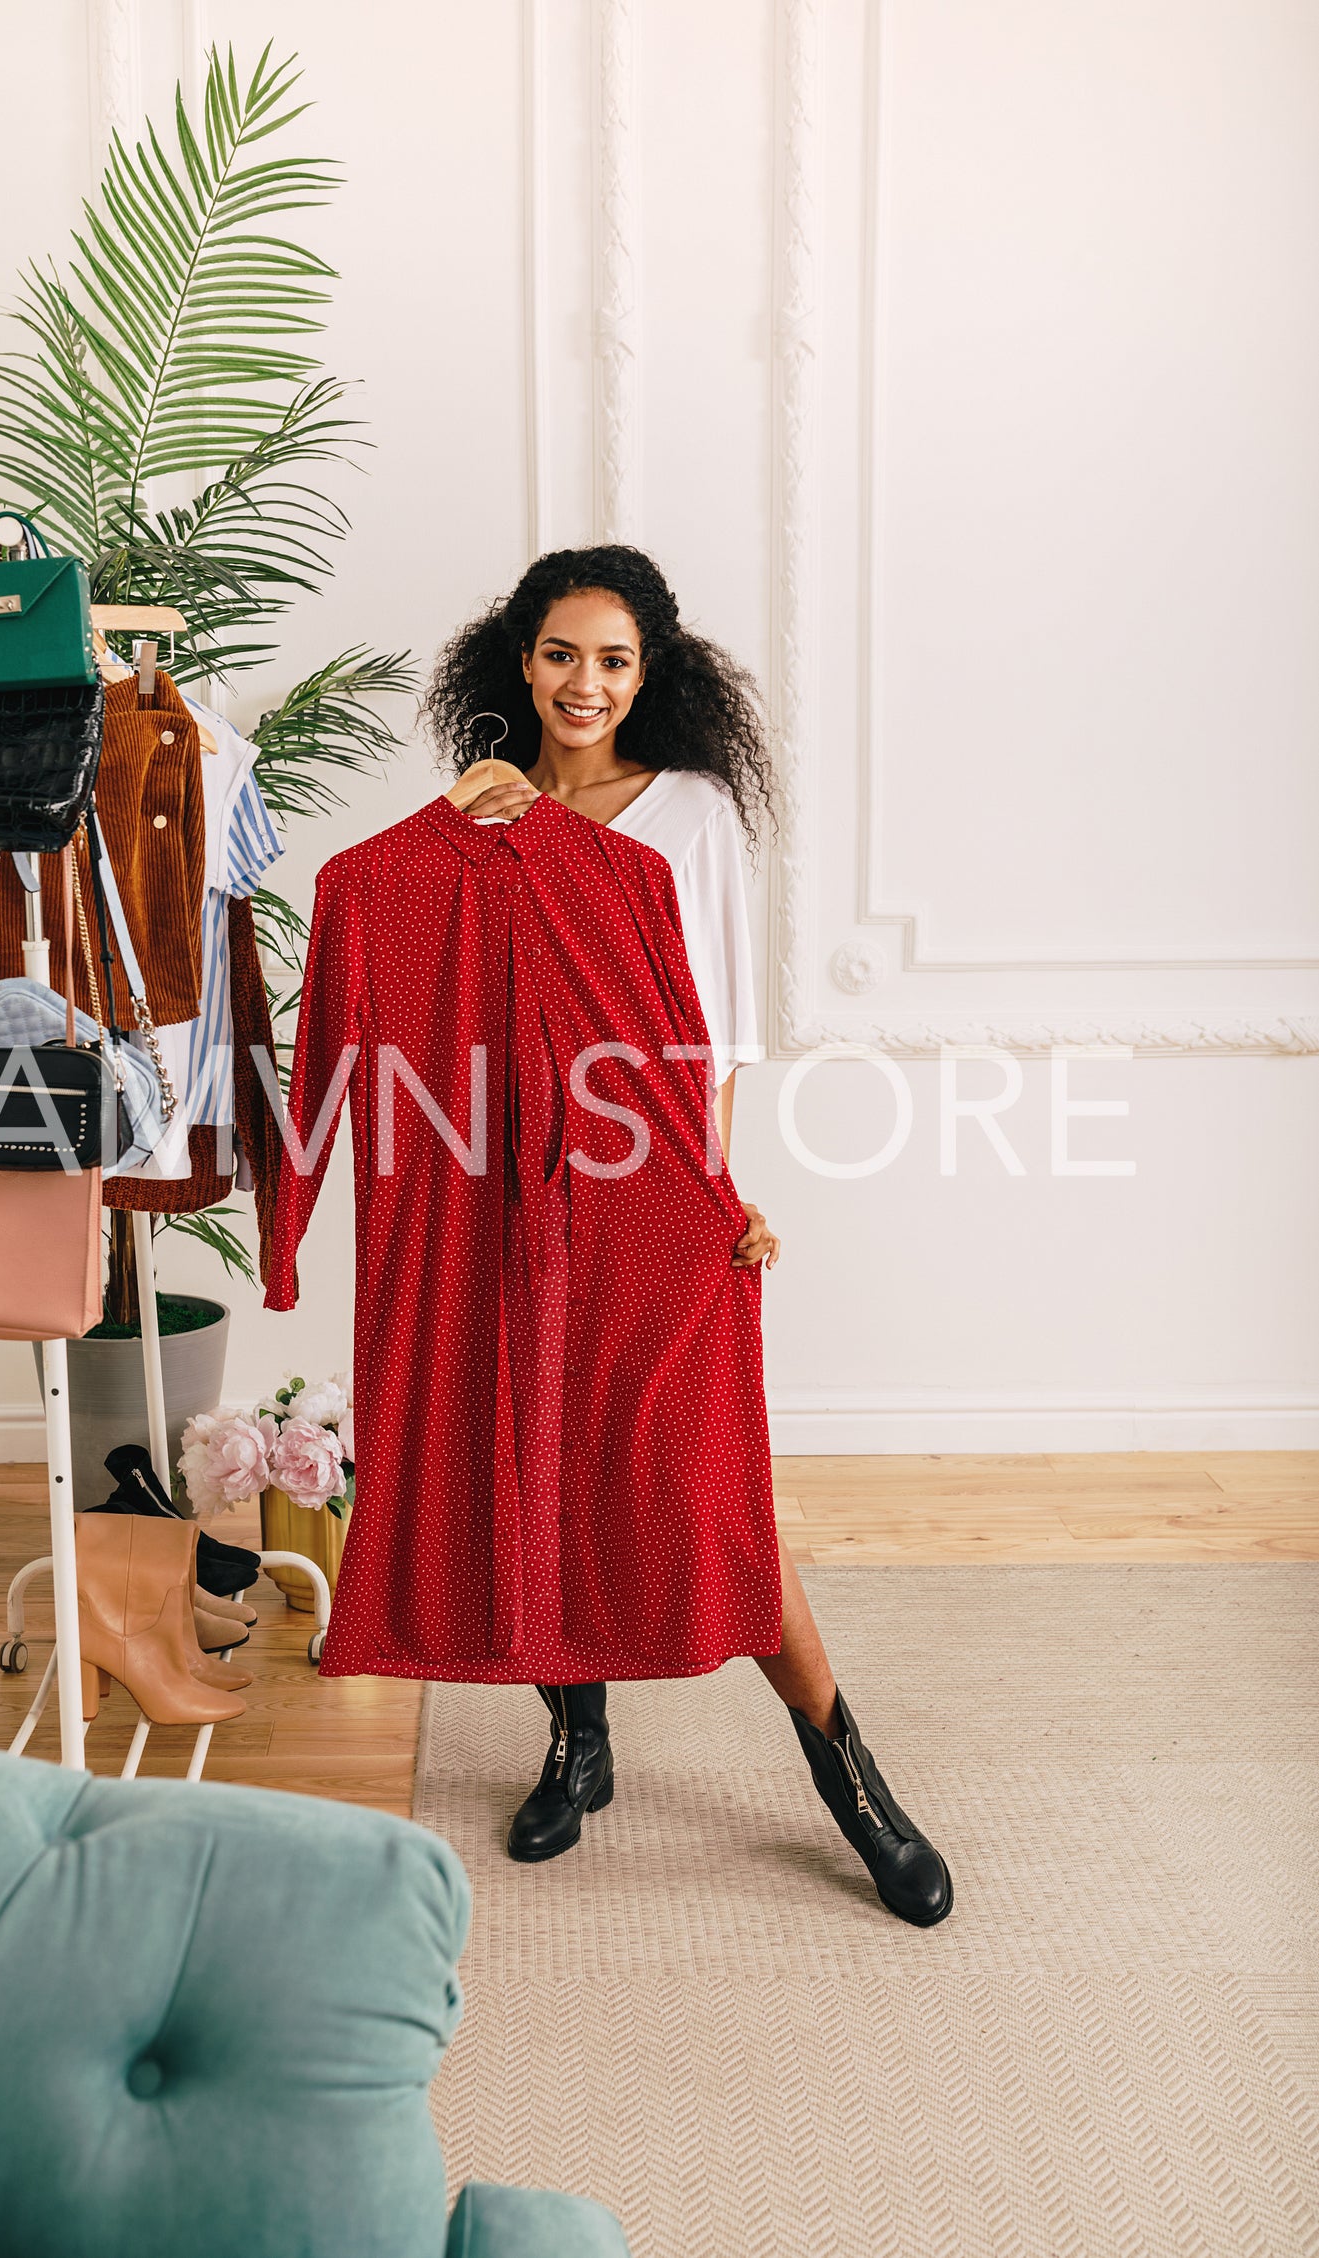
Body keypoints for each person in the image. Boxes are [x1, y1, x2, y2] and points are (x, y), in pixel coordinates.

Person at [424, 545, 953, 1927]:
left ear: (647, 670)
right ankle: (575, 1743)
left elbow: (706, 1030)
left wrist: (714, 1187)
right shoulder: (482, 809)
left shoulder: (693, 813)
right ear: (517, 661)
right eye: (558, 654)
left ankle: (854, 1784)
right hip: (504, 1181)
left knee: (709, 1495)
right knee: (541, 1476)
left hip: (645, 1179)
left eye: (611, 658)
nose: (582, 682)